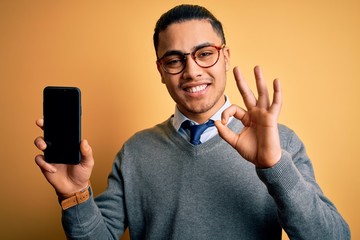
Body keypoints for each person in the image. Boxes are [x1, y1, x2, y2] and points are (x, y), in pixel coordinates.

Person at [34, 4, 350, 240]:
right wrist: (74, 195)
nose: (191, 71)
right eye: (174, 60)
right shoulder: (135, 151)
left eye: (204, 54)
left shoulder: (281, 143)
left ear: (226, 56)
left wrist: (274, 165)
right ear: (160, 70)